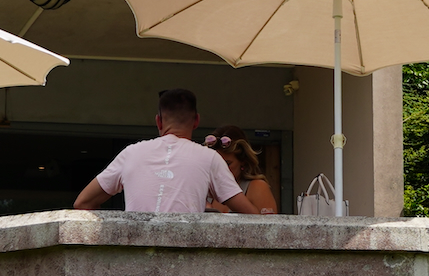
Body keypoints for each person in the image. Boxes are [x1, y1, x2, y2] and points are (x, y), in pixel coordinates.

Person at [73, 89, 239, 214]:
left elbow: (83, 202)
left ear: (158, 121)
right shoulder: (210, 158)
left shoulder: (131, 153)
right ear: (196, 121)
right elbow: (251, 214)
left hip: (136, 253)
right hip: (184, 255)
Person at [201, 128, 279, 215]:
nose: (221, 170)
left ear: (243, 162)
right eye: (215, 165)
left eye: (227, 164)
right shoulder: (205, 190)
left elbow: (268, 226)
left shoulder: (257, 187)